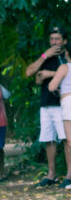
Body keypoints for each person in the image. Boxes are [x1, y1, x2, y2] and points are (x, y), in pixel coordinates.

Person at [23, 26, 68, 187]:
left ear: (64, 41)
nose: (54, 42)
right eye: (52, 39)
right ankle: (51, 174)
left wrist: (50, 74)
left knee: (66, 139)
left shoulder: (66, 57)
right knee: (49, 139)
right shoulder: (46, 57)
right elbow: (29, 73)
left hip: (62, 103)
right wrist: (44, 56)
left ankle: (69, 174)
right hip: (46, 103)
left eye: (57, 39)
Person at [47, 58, 71, 188]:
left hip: (68, 102)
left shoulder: (64, 67)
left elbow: (52, 86)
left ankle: (70, 175)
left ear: (67, 53)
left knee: (70, 141)